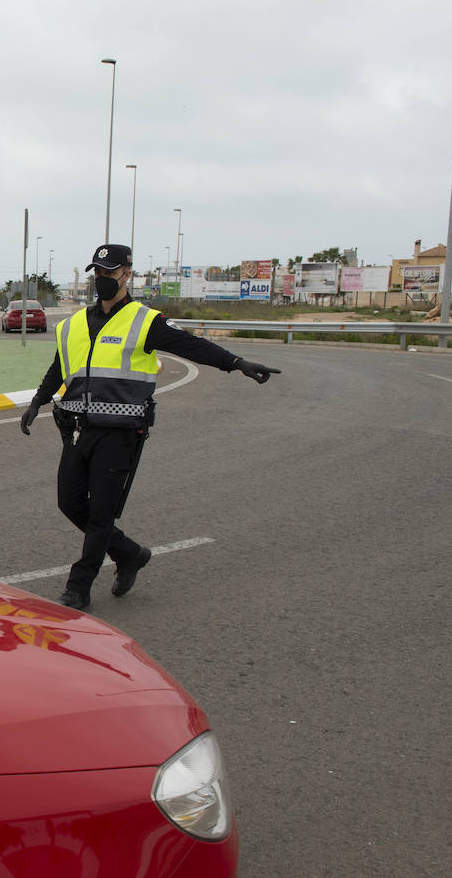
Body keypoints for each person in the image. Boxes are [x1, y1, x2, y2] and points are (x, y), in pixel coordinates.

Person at [20, 244, 281, 611]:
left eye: (109, 272)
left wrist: (235, 362)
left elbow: (191, 346)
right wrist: (38, 401)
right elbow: (60, 366)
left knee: (100, 514)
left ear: (127, 273)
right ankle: (129, 554)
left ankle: (79, 587)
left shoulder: (145, 321)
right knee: (70, 503)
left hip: (120, 432)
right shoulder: (75, 324)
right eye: (97, 272)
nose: (102, 279)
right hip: (78, 429)